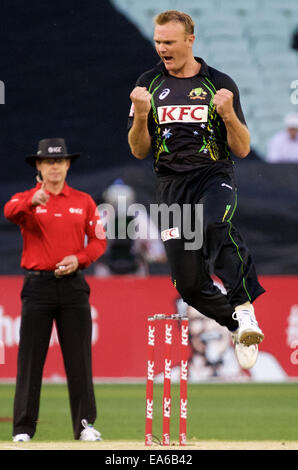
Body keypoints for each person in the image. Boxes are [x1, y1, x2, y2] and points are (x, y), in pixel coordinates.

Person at [128, 10, 265, 370]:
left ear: (190, 40)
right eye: (158, 42)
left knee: (214, 223)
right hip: (171, 188)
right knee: (189, 285)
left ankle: (244, 306)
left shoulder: (218, 84)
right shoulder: (148, 84)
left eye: (169, 42)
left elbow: (243, 148)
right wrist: (141, 115)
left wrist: (229, 114)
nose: (162, 49)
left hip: (212, 176)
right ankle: (236, 326)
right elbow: (139, 150)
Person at [4, 138, 107, 442]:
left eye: (59, 161)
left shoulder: (84, 201)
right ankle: (23, 429)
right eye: (49, 162)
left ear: (67, 165)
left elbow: (99, 241)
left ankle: (85, 426)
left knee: (79, 360)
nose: (54, 167)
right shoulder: (26, 200)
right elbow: (9, 211)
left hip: (74, 287)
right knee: (30, 360)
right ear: (39, 166)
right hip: (38, 286)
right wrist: (30, 203)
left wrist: (80, 258)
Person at [95, 178, 166, 276]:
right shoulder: (101, 216)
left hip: (135, 272)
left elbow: (158, 252)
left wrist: (146, 251)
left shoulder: (140, 216)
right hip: (107, 272)